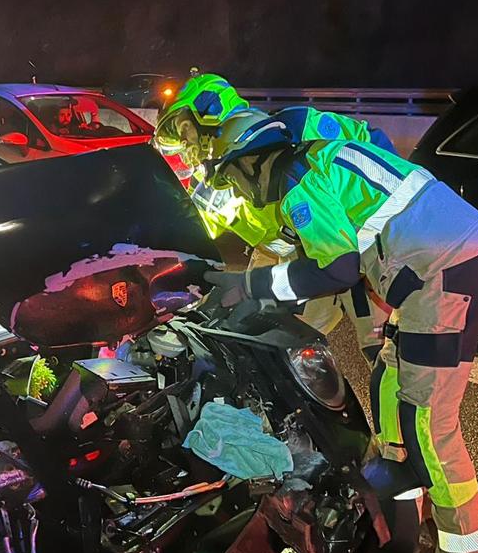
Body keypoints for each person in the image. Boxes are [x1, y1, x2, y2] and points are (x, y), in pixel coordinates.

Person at [202, 111, 478, 553]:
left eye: (234, 176)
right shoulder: (321, 160)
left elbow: (335, 268)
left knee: (429, 427)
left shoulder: (300, 179)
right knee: (389, 383)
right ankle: (404, 520)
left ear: (254, 162)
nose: (237, 189)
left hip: (440, 273)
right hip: (438, 267)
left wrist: (247, 288)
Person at [154, 75, 392, 361]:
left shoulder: (298, 125)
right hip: (299, 261)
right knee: (271, 347)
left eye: (183, 131)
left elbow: (374, 146)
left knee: (384, 350)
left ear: (208, 109)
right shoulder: (208, 183)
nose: (184, 145)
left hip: (360, 246)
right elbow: (190, 234)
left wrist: (377, 226)